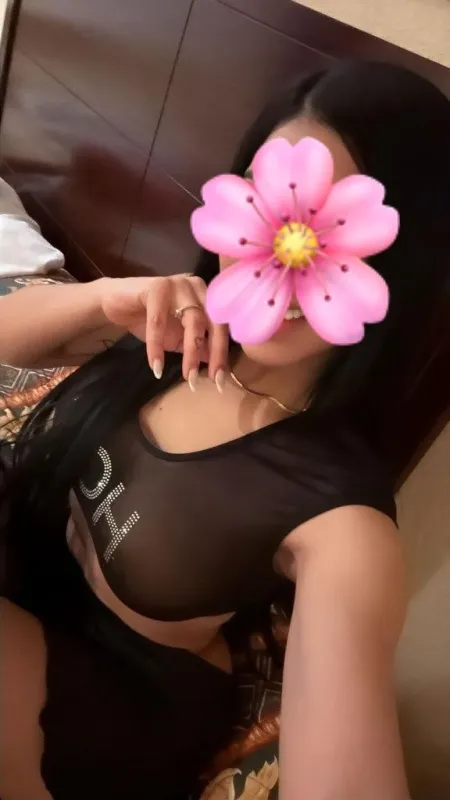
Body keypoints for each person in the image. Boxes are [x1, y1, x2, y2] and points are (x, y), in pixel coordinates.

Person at [0, 60, 449, 800]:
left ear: (407, 253)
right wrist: (102, 299)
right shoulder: (172, 332)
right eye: (266, 208)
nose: (286, 249)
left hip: (90, 707)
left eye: (333, 227)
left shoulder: (340, 520)